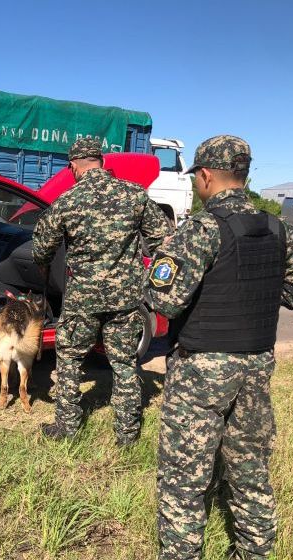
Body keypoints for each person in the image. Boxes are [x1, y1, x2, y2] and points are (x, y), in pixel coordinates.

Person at [144, 135, 293, 560]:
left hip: (203, 367)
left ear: (204, 176)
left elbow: (164, 300)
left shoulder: (200, 228)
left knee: (184, 477)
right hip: (256, 365)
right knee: (249, 468)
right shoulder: (279, 229)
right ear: (245, 174)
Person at [33, 136, 171, 442]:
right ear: (102, 162)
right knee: (123, 362)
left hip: (83, 299)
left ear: (73, 167)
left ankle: (67, 428)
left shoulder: (67, 201)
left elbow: (41, 247)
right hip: (125, 299)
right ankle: (128, 433)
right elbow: (164, 237)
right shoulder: (134, 195)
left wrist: (44, 266)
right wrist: (150, 273)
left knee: (70, 359)